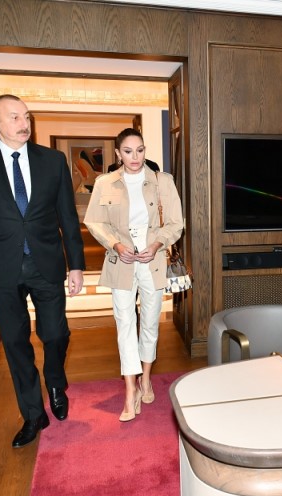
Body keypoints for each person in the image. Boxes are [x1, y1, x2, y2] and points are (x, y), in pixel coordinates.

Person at [0, 94, 85, 448]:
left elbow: (67, 216)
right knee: (14, 342)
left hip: (46, 263)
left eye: (26, 116)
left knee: (55, 334)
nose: (24, 123)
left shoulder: (53, 161)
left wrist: (76, 265)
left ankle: (55, 382)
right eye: (14, 117)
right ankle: (33, 414)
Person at [84, 128, 184, 422]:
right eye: (128, 151)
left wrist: (157, 244)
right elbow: (95, 221)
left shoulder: (163, 181)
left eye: (140, 150)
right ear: (118, 153)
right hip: (121, 260)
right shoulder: (105, 183)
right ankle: (130, 390)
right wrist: (115, 243)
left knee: (150, 323)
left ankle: (146, 379)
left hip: (153, 260)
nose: (135, 157)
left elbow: (176, 223)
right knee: (124, 323)